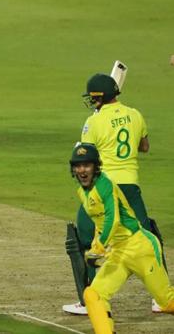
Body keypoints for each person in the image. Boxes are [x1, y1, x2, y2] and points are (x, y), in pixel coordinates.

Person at [63, 73, 167, 314]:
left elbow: (87, 154)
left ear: (98, 97)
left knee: (85, 240)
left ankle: (88, 300)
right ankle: (161, 298)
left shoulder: (93, 122)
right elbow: (144, 146)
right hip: (131, 185)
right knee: (147, 238)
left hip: (105, 187)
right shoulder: (135, 114)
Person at [67, 143, 174, 333]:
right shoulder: (82, 192)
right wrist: (95, 244)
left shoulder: (105, 185)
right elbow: (100, 224)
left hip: (140, 247)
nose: (82, 170)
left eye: (87, 165)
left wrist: (99, 248)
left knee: (166, 302)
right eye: (78, 166)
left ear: (96, 167)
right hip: (117, 253)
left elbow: (113, 219)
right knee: (93, 295)